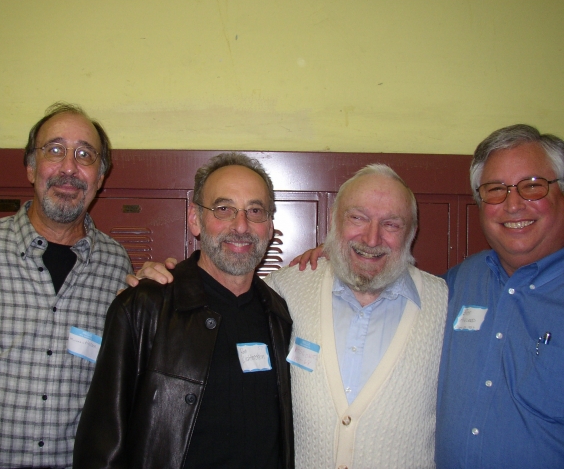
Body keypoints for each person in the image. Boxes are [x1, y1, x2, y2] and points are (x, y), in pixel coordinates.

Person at [133, 164, 448, 468]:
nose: (371, 238)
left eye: (391, 224)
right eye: (357, 218)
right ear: (334, 223)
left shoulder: (446, 302)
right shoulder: (287, 287)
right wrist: (163, 282)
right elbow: (226, 282)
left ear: (412, 233)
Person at [0, 103, 133, 468]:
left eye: (84, 155)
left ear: (100, 178)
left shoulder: (117, 265)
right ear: (31, 167)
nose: (69, 167)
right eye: (54, 150)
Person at [73, 153, 294, 469]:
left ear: (270, 226)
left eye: (255, 211)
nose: (241, 225)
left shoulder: (280, 315)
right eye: (224, 209)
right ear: (195, 220)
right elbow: (101, 445)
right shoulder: (143, 307)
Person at [435, 124, 564, 467]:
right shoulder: (460, 280)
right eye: (495, 190)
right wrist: (338, 260)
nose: (513, 204)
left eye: (533, 186)